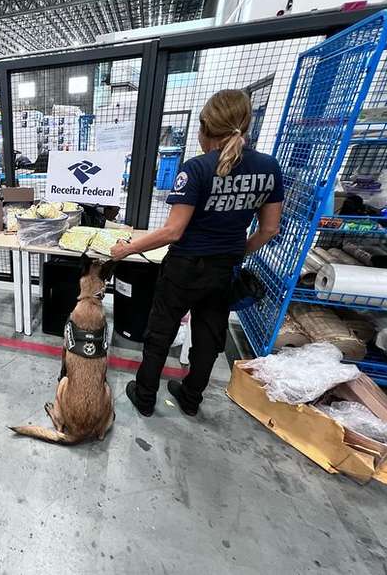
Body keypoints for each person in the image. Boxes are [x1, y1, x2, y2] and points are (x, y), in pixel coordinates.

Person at [110, 89, 283, 417]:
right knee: (208, 335)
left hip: (185, 266)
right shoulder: (268, 168)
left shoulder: (197, 168)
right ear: (246, 125)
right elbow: (270, 229)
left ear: (205, 128)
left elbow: (173, 231)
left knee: (161, 332)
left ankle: (145, 395)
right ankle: (190, 398)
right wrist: (237, 253)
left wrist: (127, 248)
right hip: (224, 268)